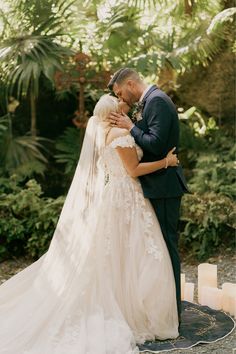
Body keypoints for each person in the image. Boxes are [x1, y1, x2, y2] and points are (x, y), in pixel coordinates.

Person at [0, 94, 179, 354]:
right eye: (120, 108)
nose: (124, 109)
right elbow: (133, 170)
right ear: (113, 113)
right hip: (127, 197)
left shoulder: (101, 135)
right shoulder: (119, 135)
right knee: (135, 254)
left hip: (114, 196)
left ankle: (125, 303)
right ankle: (133, 311)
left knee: (119, 255)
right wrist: (167, 162)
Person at [108, 68, 189, 324]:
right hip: (153, 184)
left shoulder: (158, 102)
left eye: (121, 93)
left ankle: (172, 311)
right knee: (157, 251)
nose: (122, 99)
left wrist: (131, 126)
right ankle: (159, 308)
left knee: (166, 247)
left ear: (131, 84)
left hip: (164, 186)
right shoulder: (148, 102)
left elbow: (154, 143)